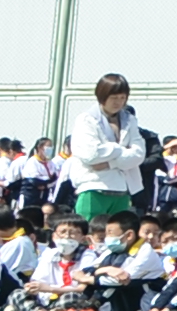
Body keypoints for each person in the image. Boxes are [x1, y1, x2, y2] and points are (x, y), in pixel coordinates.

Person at [62, 76, 148, 221]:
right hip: (94, 186)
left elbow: (139, 155)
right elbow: (91, 154)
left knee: (118, 236)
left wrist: (110, 162)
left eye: (122, 97)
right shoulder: (86, 119)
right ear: (102, 96)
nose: (118, 102)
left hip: (122, 188)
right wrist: (122, 149)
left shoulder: (129, 119)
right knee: (89, 233)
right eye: (113, 97)